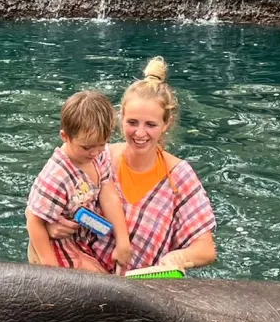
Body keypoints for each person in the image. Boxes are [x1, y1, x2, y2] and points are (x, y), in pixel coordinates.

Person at [46, 57, 217, 272]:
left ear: (166, 124)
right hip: (83, 278)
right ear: (121, 117)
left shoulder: (179, 177)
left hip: (139, 290)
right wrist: (51, 226)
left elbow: (206, 249)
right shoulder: (97, 157)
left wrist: (179, 257)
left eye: (151, 124)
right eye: (132, 122)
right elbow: (45, 202)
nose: (140, 133)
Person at [25, 90, 132, 274]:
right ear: (65, 136)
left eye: (102, 144)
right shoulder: (56, 176)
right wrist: (50, 270)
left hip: (80, 239)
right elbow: (34, 222)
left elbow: (108, 192)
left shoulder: (99, 156)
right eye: (86, 147)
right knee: (98, 283)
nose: (95, 152)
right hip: (54, 247)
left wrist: (123, 240)